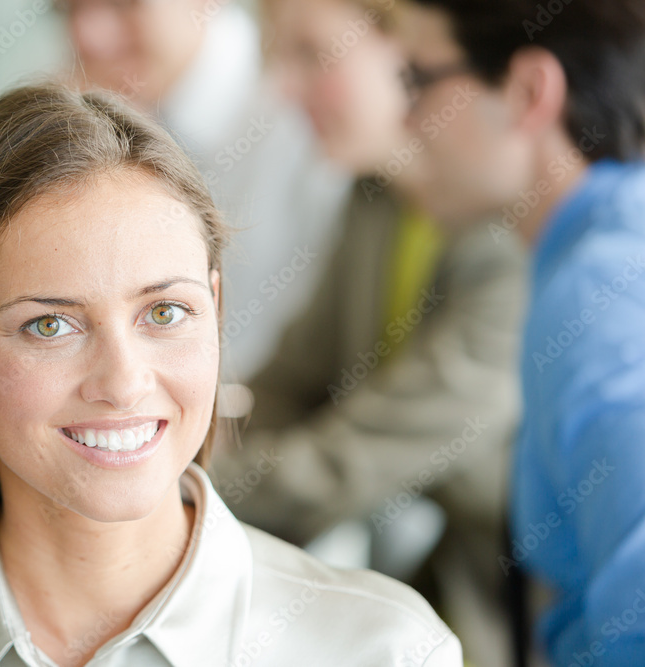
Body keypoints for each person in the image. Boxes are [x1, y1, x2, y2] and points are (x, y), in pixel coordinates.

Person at [0, 82, 463, 667]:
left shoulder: (386, 650)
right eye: (50, 324)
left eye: (165, 313)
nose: (122, 381)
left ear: (216, 306)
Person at [210, 1, 527, 664]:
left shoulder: (512, 235)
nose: (285, 89)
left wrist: (174, 491)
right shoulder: (376, 200)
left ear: (406, 48)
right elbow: (288, 381)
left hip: (514, 618)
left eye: (314, 54)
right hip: (423, 590)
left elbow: (348, 460)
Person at [391, 1, 645, 665]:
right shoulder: (599, 251)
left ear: (530, 91)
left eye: (419, 81)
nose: (404, 121)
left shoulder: (601, 288)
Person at [54, 0, 351, 380]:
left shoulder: (303, 111)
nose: (87, 36)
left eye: (125, 5)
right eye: (63, 9)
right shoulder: (78, 96)